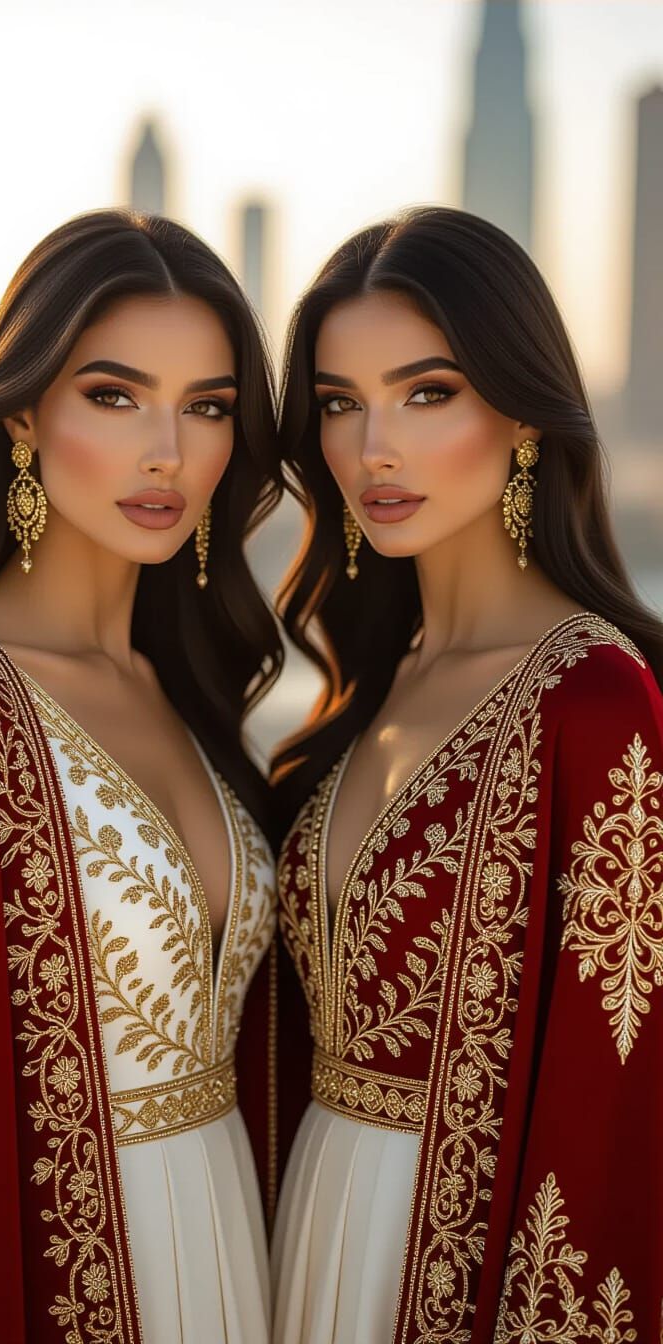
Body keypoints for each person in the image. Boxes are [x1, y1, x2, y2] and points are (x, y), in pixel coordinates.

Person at [270, 206, 663, 1343]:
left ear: (523, 415)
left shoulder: (596, 701)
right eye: (341, 405)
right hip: (312, 1230)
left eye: (425, 392)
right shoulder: (368, 687)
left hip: (469, 1262)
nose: (372, 447)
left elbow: (615, 1102)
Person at [0, 208, 282, 1343]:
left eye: (206, 407)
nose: (167, 450)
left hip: (234, 1257)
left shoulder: (195, 693)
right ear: (21, 411)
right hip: (45, 1276)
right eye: (115, 396)